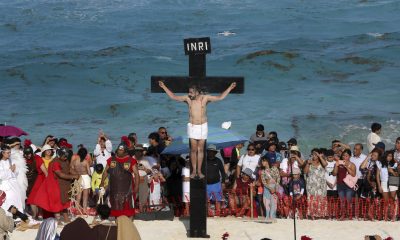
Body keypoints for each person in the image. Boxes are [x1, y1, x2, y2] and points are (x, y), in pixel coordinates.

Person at [159, 80, 236, 179]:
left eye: (191, 92)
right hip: (192, 126)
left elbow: (220, 97)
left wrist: (230, 88)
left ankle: (199, 171)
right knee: (193, 150)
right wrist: (164, 86)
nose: (189, 94)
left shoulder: (205, 98)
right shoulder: (188, 99)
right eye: (189, 92)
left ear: (197, 92)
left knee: (201, 150)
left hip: (203, 126)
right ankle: (193, 171)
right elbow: (174, 97)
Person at [32, 148, 79, 222]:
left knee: (64, 202)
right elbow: (60, 174)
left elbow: (69, 169)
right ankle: (58, 220)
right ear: (59, 155)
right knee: (56, 203)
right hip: (53, 185)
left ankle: (66, 219)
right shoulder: (55, 162)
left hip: (62, 185)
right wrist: (73, 176)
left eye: (67, 156)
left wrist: (76, 174)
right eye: (64, 156)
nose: (66, 157)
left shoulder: (65, 160)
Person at [100, 143, 139, 218]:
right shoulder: (111, 160)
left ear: (125, 151)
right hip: (114, 188)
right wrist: (102, 183)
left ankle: (129, 224)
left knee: (128, 207)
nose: (119, 151)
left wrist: (136, 186)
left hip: (127, 188)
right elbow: (105, 172)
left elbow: (136, 174)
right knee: (115, 207)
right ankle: (118, 224)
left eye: (121, 150)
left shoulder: (131, 160)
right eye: (119, 149)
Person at [27, 144, 51, 219]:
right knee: (35, 199)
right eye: (26, 153)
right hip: (32, 181)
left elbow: (45, 172)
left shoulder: (38, 159)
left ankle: (35, 216)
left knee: (34, 199)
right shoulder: (26, 159)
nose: (28, 155)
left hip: (40, 180)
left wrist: (47, 183)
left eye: (30, 153)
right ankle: (38, 215)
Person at [332, 149, 357, 219]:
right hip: (340, 184)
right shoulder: (338, 163)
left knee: (349, 199)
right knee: (342, 200)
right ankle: (343, 215)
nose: (344, 157)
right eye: (343, 155)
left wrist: (346, 166)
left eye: (346, 156)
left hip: (349, 185)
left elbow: (353, 174)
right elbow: (334, 173)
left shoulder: (352, 165)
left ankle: (350, 214)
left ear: (349, 156)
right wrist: (336, 165)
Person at [303, 149, 328, 218]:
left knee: (321, 199)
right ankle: (312, 214)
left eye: (315, 154)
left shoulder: (322, 163)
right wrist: (308, 163)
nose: (314, 156)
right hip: (311, 185)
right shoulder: (309, 162)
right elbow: (305, 172)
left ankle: (321, 214)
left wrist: (320, 157)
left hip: (321, 185)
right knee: (312, 199)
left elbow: (325, 164)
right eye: (312, 154)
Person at [0, 146, 24, 215]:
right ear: (3, 153)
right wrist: (10, 170)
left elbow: (16, 172)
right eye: (8, 153)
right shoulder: (0, 163)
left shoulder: (11, 161)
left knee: (17, 199)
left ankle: (19, 216)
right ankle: (10, 217)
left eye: (10, 152)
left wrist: (13, 170)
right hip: (6, 185)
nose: (9, 154)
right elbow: (1, 175)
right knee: (9, 200)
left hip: (14, 184)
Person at [206, 144, 226, 217]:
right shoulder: (203, 160)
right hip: (206, 184)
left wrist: (223, 182)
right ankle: (208, 213)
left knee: (217, 200)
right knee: (206, 200)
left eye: (212, 151)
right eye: (209, 151)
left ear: (215, 152)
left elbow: (223, 172)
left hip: (216, 184)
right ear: (207, 152)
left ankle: (218, 213)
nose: (210, 152)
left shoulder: (218, 160)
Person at [70, 147, 91, 214]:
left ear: (78, 154)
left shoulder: (74, 161)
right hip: (85, 178)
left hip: (78, 178)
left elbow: (71, 169)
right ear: (85, 155)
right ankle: (84, 210)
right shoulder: (85, 162)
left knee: (78, 195)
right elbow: (89, 172)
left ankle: (77, 209)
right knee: (85, 196)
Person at [258, 157, 277, 222]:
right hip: (267, 188)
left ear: (267, 161)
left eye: (264, 161)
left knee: (273, 203)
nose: (262, 163)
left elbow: (278, 178)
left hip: (274, 187)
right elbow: (264, 182)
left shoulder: (274, 168)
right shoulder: (263, 171)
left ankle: (272, 217)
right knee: (266, 203)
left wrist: (275, 188)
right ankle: (267, 217)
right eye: (262, 161)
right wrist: (270, 188)